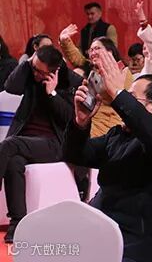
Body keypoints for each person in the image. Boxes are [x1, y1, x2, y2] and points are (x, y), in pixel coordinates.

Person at [64, 49, 152, 262]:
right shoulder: (117, 135)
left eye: (130, 97)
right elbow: (76, 155)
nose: (121, 104)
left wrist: (118, 93)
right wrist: (80, 123)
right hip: (96, 232)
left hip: (137, 244)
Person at [2, 45, 82, 242]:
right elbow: (11, 87)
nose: (35, 73)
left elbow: (71, 119)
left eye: (40, 71)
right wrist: (29, 63)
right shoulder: (31, 72)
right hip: (26, 141)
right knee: (14, 162)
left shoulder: (72, 82)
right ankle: (17, 224)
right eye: (34, 68)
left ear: (54, 71)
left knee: (9, 145)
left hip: (54, 144)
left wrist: (52, 94)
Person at [59, 26, 133, 137]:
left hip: (110, 129)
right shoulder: (94, 71)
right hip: (90, 122)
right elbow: (77, 58)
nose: (93, 52)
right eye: (91, 50)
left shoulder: (123, 71)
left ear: (110, 51)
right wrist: (65, 40)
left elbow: (128, 102)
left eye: (97, 48)